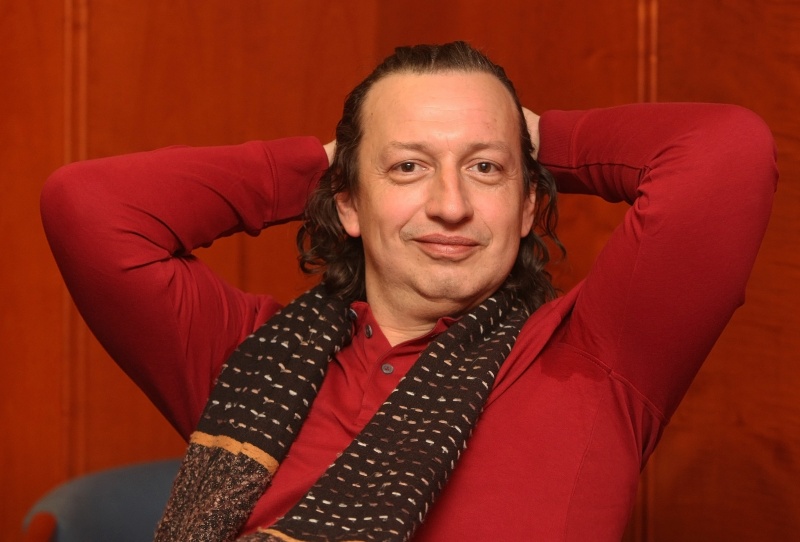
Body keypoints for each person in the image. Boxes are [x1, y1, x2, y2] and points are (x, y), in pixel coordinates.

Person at [41, 42, 777, 541]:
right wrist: (339, 160)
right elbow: (90, 206)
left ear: (528, 206)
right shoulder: (245, 356)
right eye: (408, 169)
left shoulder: (598, 360)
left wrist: (537, 138)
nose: (450, 205)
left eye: (485, 169)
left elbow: (727, 152)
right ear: (348, 203)